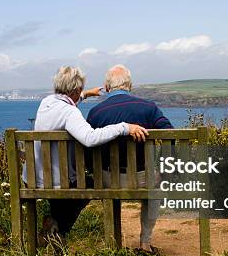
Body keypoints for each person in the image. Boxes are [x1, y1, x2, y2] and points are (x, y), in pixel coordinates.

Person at [26, 66, 148, 239]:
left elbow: (67, 102)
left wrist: (87, 94)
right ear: (76, 89)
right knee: (91, 183)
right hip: (59, 180)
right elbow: (90, 138)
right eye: (80, 90)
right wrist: (124, 127)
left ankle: (54, 229)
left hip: (36, 176)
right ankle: (58, 228)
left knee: (69, 184)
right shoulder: (71, 112)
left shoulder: (46, 102)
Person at [87, 64, 173, 253]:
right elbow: (170, 134)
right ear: (130, 86)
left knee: (108, 180)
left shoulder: (96, 112)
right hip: (143, 178)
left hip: (109, 179)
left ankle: (113, 241)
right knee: (156, 185)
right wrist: (166, 170)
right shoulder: (148, 108)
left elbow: (86, 145)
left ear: (107, 87)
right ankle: (145, 243)